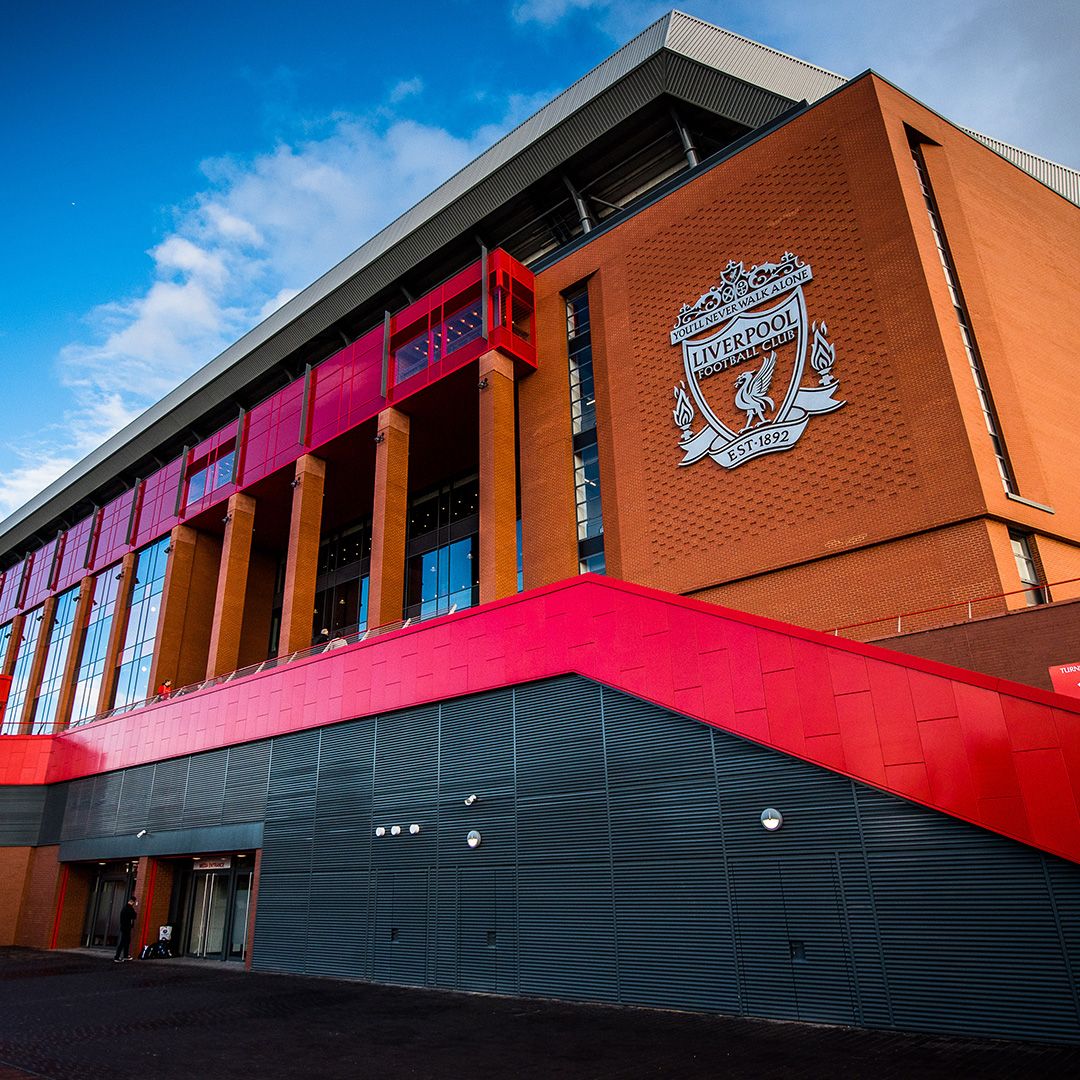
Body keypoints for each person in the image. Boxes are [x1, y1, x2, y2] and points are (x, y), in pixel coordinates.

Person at [114, 897, 138, 963]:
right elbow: (134, 916)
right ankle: (117, 957)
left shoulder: (125, 908)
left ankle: (125, 955)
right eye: (134, 902)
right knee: (123, 942)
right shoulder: (129, 908)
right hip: (126, 928)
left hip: (124, 927)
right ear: (132, 902)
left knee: (127, 941)